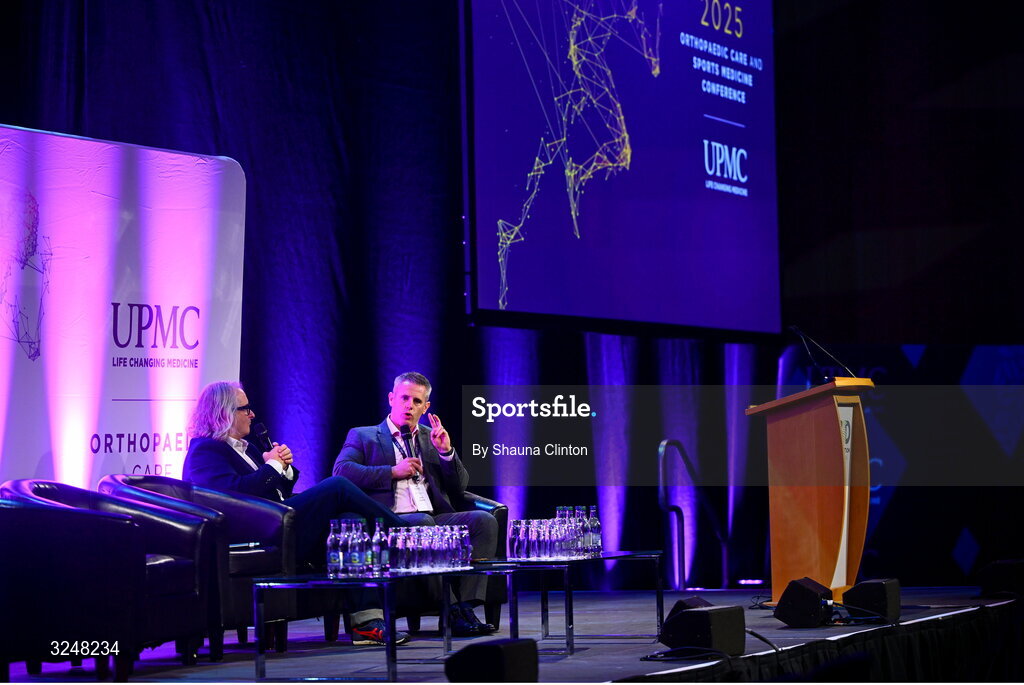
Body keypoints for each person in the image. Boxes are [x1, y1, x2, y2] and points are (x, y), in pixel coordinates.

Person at [183, 380, 410, 646]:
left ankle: (366, 623)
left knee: (351, 523)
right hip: (259, 533)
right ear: (225, 413)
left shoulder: (247, 448)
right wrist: (272, 467)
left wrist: (284, 469)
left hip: (281, 523)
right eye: (245, 409)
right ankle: (406, 535)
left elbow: (275, 490)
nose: (252, 414)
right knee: (337, 486)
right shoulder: (204, 451)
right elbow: (233, 497)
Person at [333, 371, 498, 636]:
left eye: (417, 401)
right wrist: (391, 471)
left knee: (483, 521)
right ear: (391, 398)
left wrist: (446, 452)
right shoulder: (364, 436)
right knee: (422, 522)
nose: (409, 405)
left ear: (426, 407)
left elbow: (459, 487)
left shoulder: (431, 438)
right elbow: (341, 472)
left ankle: (466, 606)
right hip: (391, 520)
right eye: (404, 398)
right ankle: (451, 609)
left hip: (432, 517)